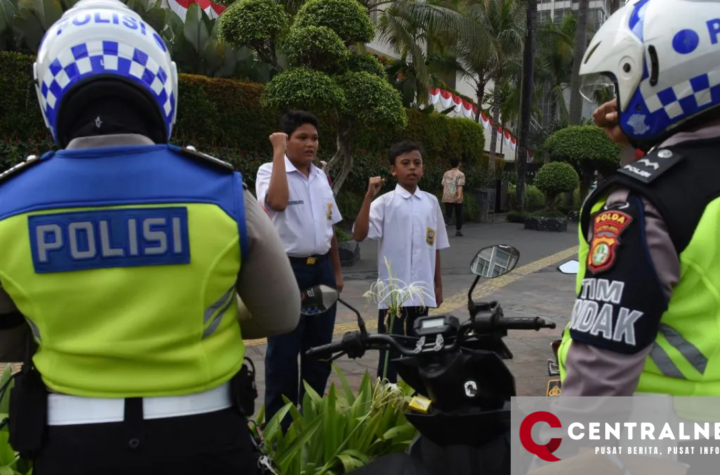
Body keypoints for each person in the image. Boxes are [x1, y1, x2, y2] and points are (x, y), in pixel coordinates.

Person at [0, 1, 301, 473]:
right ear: (163, 82)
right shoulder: (220, 191)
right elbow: (282, 313)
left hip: (72, 447)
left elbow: (4, 341)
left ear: (49, 88)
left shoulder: (8, 204)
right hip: (206, 439)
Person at [557, 0, 720, 443]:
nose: (615, 98)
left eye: (621, 82)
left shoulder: (642, 201)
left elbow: (597, 390)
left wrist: (562, 454)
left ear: (660, 75)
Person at [255, 110, 344, 429]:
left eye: (315, 138)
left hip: (320, 271)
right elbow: (277, 202)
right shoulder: (269, 170)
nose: (310, 144)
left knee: (319, 349)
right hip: (286, 273)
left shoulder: (321, 176)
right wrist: (278, 152)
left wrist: (336, 271)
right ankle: (280, 427)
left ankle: (312, 420)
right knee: (283, 351)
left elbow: (330, 226)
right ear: (285, 139)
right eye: (302, 137)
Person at [353, 141, 449, 383]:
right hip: (393, 295)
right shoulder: (384, 203)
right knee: (391, 350)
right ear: (393, 170)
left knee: (421, 347)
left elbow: (435, 246)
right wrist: (368, 197)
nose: (412, 168)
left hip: (422, 292)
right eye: (405, 163)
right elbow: (359, 234)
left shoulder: (431, 202)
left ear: (423, 169)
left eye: (417, 163)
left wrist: (437, 285)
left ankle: (416, 396)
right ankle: (386, 397)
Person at [441, 157, 465, 236]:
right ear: (458, 164)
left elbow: (443, 184)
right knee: (458, 214)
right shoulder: (461, 174)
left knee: (448, 213)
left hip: (447, 195)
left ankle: (445, 224)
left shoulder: (446, 173)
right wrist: (459, 195)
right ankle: (458, 230)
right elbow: (460, 185)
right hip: (456, 196)